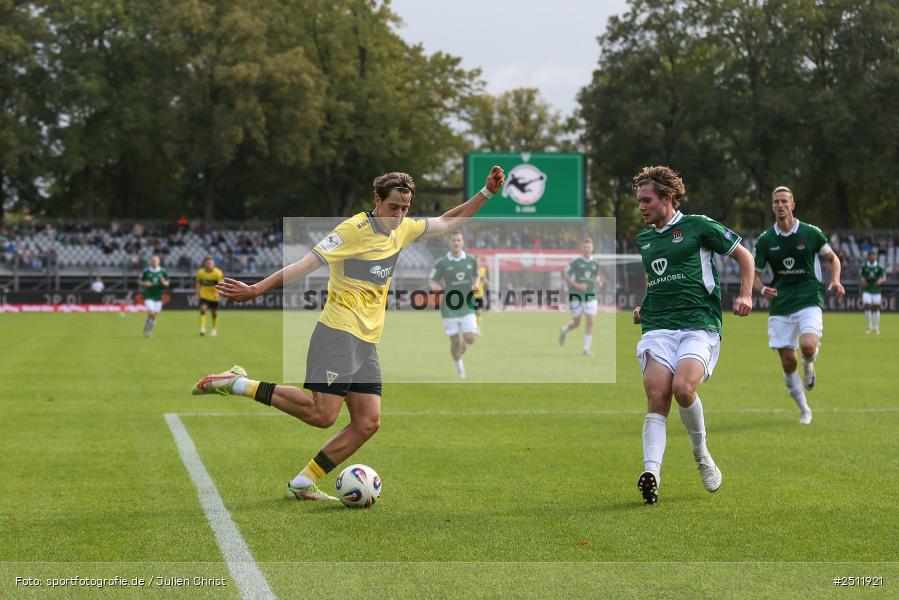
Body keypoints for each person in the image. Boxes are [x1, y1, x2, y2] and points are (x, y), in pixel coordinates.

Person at [191, 167, 505, 500]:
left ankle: (302, 483)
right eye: (393, 207)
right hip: (338, 332)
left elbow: (447, 222)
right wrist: (257, 289)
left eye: (405, 209)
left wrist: (485, 193)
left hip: (367, 341)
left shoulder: (403, 229)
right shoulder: (353, 230)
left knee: (368, 422)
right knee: (322, 414)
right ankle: (236, 382)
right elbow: (306, 263)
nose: (399, 215)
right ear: (377, 201)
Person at [631, 166, 754, 505]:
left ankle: (701, 454)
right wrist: (645, 305)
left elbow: (743, 254)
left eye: (646, 200)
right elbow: (656, 279)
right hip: (658, 327)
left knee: (684, 389)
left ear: (667, 198)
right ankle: (651, 473)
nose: (640, 207)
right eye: (639, 201)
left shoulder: (698, 226)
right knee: (658, 395)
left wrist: (745, 293)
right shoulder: (645, 240)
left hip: (699, 323)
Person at [753, 186, 845, 425]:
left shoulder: (810, 233)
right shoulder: (765, 240)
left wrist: (835, 279)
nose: (780, 205)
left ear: (792, 205)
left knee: (806, 345)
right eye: (776, 202)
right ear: (772, 207)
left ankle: (809, 361)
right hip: (781, 303)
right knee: (787, 362)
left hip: (808, 298)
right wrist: (762, 288)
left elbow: (832, 258)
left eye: (785, 201)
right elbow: (753, 274)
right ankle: (805, 409)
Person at [429, 231, 481, 379]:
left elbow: (477, 275)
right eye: (453, 240)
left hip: (467, 304)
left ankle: (464, 344)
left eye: (458, 240)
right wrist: (434, 286)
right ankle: (460, 369)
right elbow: (433, 280)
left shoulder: (471, 260)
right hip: (449, 307)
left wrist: (476, 284)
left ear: (462, 242)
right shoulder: (442, 262)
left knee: (470, 338)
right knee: (454, 340)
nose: (456, 243)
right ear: (449, 243)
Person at [558, 237, 602, 357]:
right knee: (576, 323)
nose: (587, 249)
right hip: (576, 295)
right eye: (584, 247)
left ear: (592, 248)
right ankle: (565, 329)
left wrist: (598, 282)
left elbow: (596, 276)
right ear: (581, 248)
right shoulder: (576, 261)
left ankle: (586, 350)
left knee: (590, 321)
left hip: (591, 295)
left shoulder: (595, 262)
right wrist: (578, 285)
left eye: (588, 247)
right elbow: (565, 276)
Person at [139, 255, 169, 337]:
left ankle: (147, 329)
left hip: (158, 296)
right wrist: (145, 283)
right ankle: (148, 331)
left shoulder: (163, 271)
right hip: (148, 295)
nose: (155, 262)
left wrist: (164, 283)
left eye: (156, 261)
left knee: (153, 315)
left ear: (159, 262)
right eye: (153, 261)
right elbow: (140, 281)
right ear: (151, 261)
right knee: (152, 313)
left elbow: (167, 283)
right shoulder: (146, 271)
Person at [195, 256, 225, 336]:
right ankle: (202, 328)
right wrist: (197, 293)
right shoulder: (200, 272)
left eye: (211, 263)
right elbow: (198, 283)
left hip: (214, 296)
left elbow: (221, 284)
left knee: (214, 313)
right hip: (204, 295)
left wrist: (219, 293)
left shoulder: (218, 273)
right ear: (205, 264)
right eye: (208, 263)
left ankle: (214, 329)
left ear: (213, 264)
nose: (209, 265)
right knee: (203, 309)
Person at [860, 250, 885, 335]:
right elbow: (861, 276)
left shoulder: (879, 267)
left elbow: (883, 277)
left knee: (876, 308)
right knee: (867, 305)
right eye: (870, 256)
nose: (872, 257)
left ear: (875, 257)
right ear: (868, 257)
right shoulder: (864, 266)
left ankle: (876, 327)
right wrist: (863, 281)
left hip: (876, 289)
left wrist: (880, 281)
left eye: (873, 256)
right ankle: (869, 326)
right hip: (867, 289)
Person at [472, 254, 490, 329]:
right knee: (471, 313)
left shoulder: (483, 270)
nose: (477, 262)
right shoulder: (470, 270)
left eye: (478, 261)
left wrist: (485, 281)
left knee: (479, 312)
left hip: (479, 294)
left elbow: (487, 282)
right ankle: (470, 328)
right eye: (475, 261)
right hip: (470, 294)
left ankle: (477, 328)